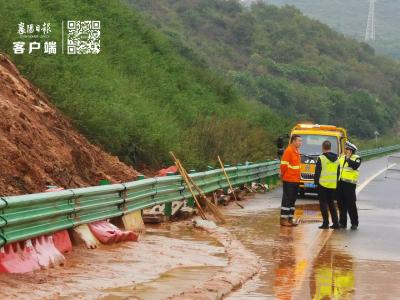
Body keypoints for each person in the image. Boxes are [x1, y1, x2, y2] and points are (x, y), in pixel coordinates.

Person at [314, 140, 340, 229]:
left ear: (323, 147)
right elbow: (338, 173)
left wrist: (316, 183)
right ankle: (336, 223)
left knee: (323, 204)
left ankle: (325, 223)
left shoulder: (321, 158)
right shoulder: (337, 159)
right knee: (331, 204)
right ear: (330, 147)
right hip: (332, 185)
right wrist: (336, 183)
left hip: (323, 184)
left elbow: (317, 172)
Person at [337, 141, 361, 230]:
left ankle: (354, 223)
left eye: (347, 149)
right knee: (341, 204)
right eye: (346, 149)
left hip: (350, 185)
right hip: (340, 184)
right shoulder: (341, 157)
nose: (346, 150)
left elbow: (355, 166)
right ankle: (342, 223)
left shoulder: (357, 158)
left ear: (351, 151)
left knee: (351, 205)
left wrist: (348, 159)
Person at [280, 134, 302, 226]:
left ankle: (290, 218)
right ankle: (283, 219)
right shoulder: (289, 151)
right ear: (293, 141)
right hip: (289, 179)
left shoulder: (296, 151)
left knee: (292, 200)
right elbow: (283, 165)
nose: (300, 143)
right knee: (287, 200)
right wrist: (283, 176)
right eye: (299, 141)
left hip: (295, 180)